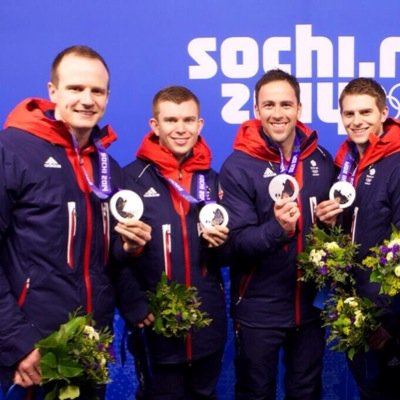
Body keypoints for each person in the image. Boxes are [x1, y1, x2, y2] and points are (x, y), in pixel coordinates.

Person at [0, 45, 152, 398]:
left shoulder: (106, 167)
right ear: (52, 91)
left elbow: (100, 257)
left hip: (89, 343)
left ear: (108, 97)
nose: (87, 99)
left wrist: (127, 247)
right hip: (31, 350)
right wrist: (17, 343)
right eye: (75, 88)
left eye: (96, 91)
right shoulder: (12, 151)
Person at [219, 69, 336, 399]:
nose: (278, 113)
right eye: (268, 105)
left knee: (306, 392)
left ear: (299, 108)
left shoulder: (321, 160)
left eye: (286, 104)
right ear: (256, 110)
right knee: (256, 392)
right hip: (259, 310)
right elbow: (235, 243)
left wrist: (333, 222)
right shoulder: (238, 166)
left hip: (310, 307)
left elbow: (338, 233)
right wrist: (278, 229)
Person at [115, 86, 229, 400]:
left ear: (200, 124)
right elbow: (110, 253)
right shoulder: (129, 180)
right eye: (171, 120)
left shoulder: (213, 180)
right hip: (156, 325)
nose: (181, 129)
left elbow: (228, 255)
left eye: (188, 120)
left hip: (208, 324)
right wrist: (133, 304)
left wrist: (220, 245)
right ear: (155, 126)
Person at [316, 77, 400, 400]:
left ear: (384, 112)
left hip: (387, 320)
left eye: (365, 112)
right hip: (356, 312)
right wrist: (332, 222)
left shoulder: (395, 163)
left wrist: (391, 322)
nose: (357, 121)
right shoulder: (347, 165)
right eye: (349, 114)